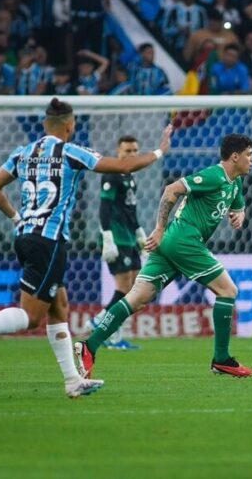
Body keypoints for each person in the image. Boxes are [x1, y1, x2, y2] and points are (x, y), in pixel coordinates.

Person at [0, 99, 172, 398]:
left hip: (25, 237)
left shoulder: (23, 153)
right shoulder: (71, 152)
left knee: (60, 306)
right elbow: (123, 166)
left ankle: (72, 380)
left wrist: (17, 218)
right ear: (70, 126)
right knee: (31, 317)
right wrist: (160, 151)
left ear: (45, 125)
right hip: (49, 240)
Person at [76, 134, 252, 379]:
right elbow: (172, 190)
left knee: (138, 298)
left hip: (173, 243)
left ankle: (89, 346)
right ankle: (222, 359)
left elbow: (238, 205)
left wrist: (239, 214)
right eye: (248, 154)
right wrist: (159, 229)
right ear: (235, 157)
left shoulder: (235, 182)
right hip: (184, 240)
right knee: (228, 291)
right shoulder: (214, 175)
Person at [96, 135, 150, 350]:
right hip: (116, 238)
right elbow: (104, 208)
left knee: (134, 288)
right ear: (118, 152)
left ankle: (105, 325)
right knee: (124, 287)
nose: (132, 154)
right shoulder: (112, 174)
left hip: (129, 237)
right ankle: (109, 331)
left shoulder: (130, 177)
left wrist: (140, 234)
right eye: (127, 151)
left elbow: (130, 210)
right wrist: (107, 238)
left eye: (135, 150)